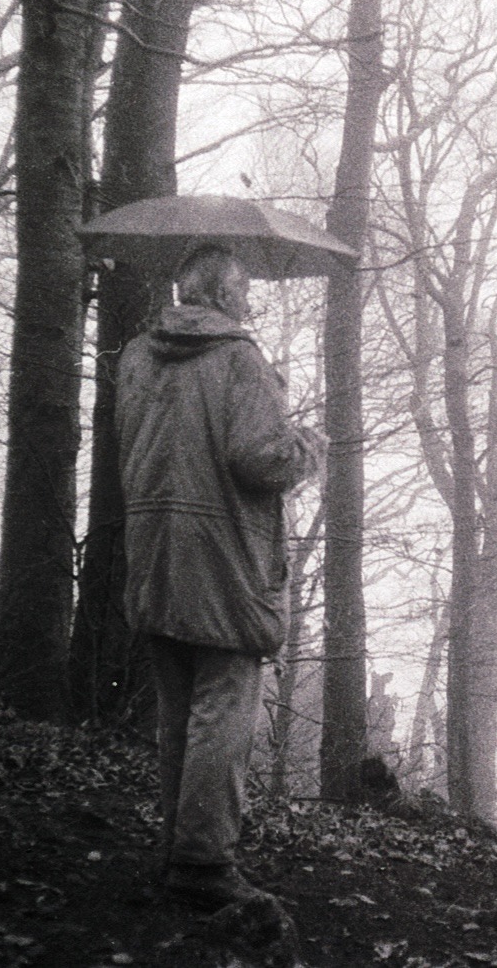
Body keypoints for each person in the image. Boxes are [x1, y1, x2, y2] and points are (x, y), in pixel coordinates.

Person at [116, 244, 321, 911]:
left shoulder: (136, 356)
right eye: (245, 291)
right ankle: (203, 864)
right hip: (224, 561)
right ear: (227, 295)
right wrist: (307, 448)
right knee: (223, 714)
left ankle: (178, 851)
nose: (249, 301)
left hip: (155, 552)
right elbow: (261, 461)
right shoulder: (240, 360)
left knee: (179, 715)